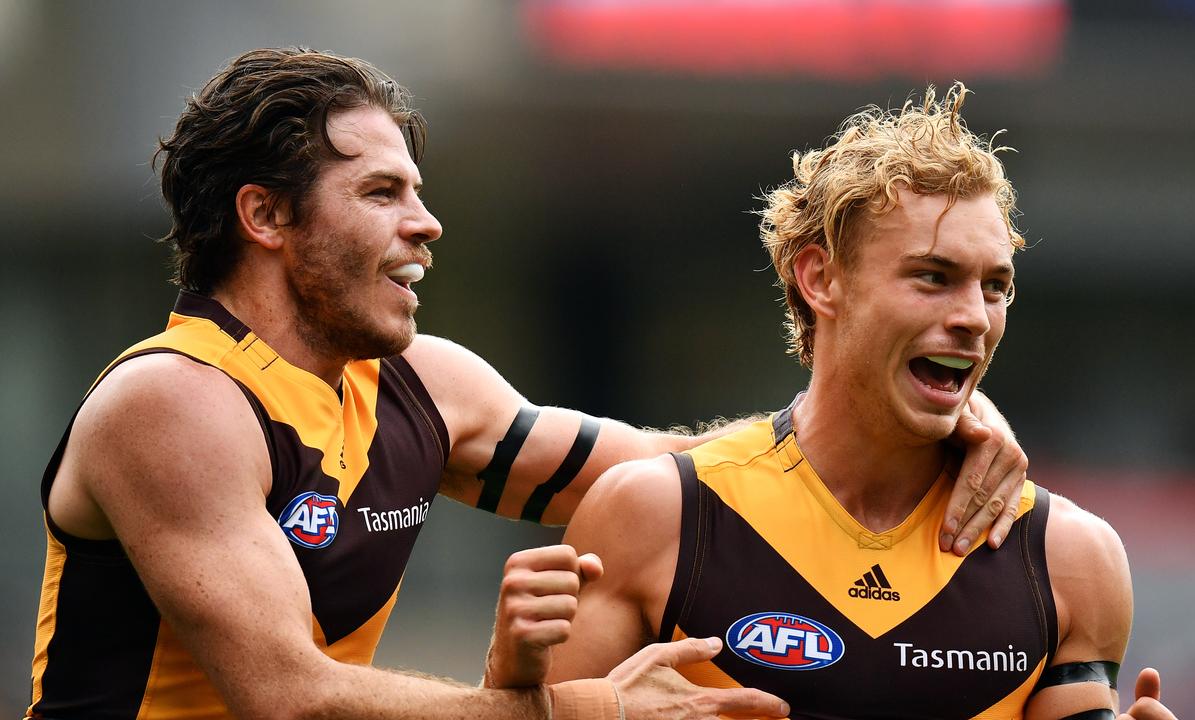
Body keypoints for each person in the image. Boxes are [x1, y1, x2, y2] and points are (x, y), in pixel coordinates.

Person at [26, 50, 1028, 720]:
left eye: (418, 192)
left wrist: (915, 408)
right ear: (265, 217)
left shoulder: (423, 385)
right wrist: (550, 709)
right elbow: (288, 696)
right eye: (381, 193)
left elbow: (699, 479)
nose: (426, 225)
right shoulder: (172, 402)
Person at [548, 84, 1180, 720]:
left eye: (995, 286)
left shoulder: (1070, 558)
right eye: (933, 276)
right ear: (821, 279)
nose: (974, 318)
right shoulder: (655, 517)